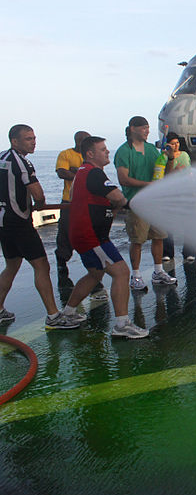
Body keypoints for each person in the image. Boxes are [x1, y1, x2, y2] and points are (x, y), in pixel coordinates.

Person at [61, 136, 148, 338]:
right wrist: (120, 205)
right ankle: (122, 325)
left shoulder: (82, 173)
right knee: (121, 273)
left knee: (95, 274)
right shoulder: (94, 173)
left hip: (85, 234)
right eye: (103, 149)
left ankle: (68, 313)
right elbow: (118, 197)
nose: (107, 152)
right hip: (92, 237)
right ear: (90, 153)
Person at [0, 124, 83, 329]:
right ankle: (54, 316)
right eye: (28, 139)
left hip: (3, 223)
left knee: (11, 266)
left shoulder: (2, 158)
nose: (34, 142)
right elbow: (37, 193)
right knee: (41, 266)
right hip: (19, 223)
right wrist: (39, 204)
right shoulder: (22, 163)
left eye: (34, 138)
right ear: (15, 141)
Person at [114, 116, 177, 290]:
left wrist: (170, 158)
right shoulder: (123, 152)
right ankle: (136, 277)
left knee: (159, 237)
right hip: (136, 203)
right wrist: (148, 185)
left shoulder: (151, 149)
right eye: (144, 128)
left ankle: (158, 272)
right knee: (137, 241)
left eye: (148, 128)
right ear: (132, 128)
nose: (147, 131)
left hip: (155, 203)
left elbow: (164, 174)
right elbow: (123, 179)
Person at [54, 130, 90, 281]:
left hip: (87, 201)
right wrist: (80, 174)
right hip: (69, 201)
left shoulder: (90, 156)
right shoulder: (66, 154)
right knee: (65, 232)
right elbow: (62, 172)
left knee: (88, 232)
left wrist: (75, 171)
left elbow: (94, 174)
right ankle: (62, 261)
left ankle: (91, 262)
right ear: (78, 141)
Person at [160, 132, 196, 264]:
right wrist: (176, 171)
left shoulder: (185, 155)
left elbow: (189, 173)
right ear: (167, 144)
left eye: (177, 143)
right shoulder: (163, 157)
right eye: (173, 143)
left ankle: (190, 252)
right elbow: (164, 176)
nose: (176, 146)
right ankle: (167, 253)